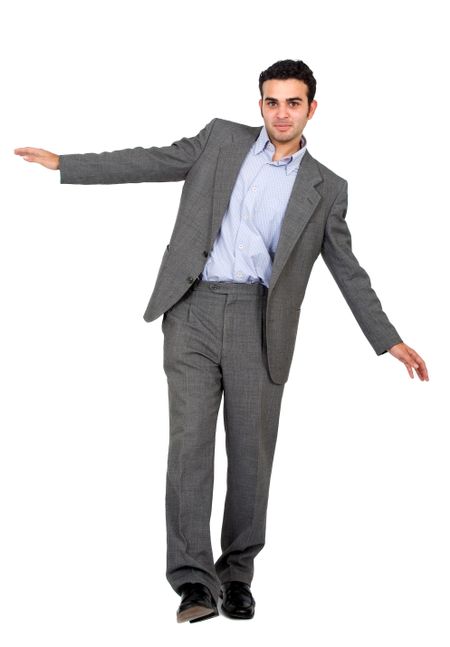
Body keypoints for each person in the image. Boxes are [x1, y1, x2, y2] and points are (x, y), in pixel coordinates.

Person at [14, 59, 429, 624]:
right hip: (193, 310)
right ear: (259, 104)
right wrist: (68, 164)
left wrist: (389, 339)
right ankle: (192, 583)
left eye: (293, 102)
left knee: (251, 456)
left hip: (261, 322)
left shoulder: (326, 188)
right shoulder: (220, 140)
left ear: (312, 108)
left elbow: (347, 268)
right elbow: (152, 160)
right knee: (189, 449)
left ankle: (236, 574)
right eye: (271, 101)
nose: (281, 112)